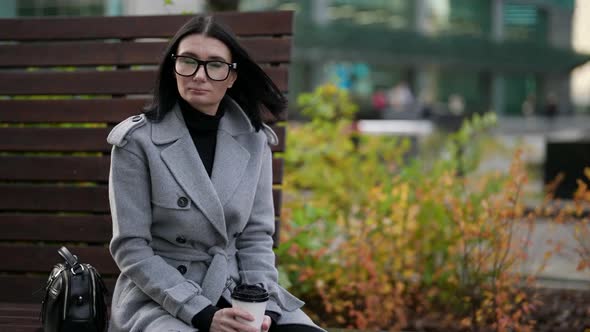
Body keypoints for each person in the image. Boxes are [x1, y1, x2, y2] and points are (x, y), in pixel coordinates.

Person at [106, 15, 325, 332]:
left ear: (232, 76)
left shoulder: (254, 139)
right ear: (173, 66)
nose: (199, 75)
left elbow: (255, 239)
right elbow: (131, 248)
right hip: (163, 298)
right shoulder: (136, 142)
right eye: (189, 61)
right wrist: (202, 314)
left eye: (215, 65)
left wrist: (262, 308)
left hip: (239, 290)